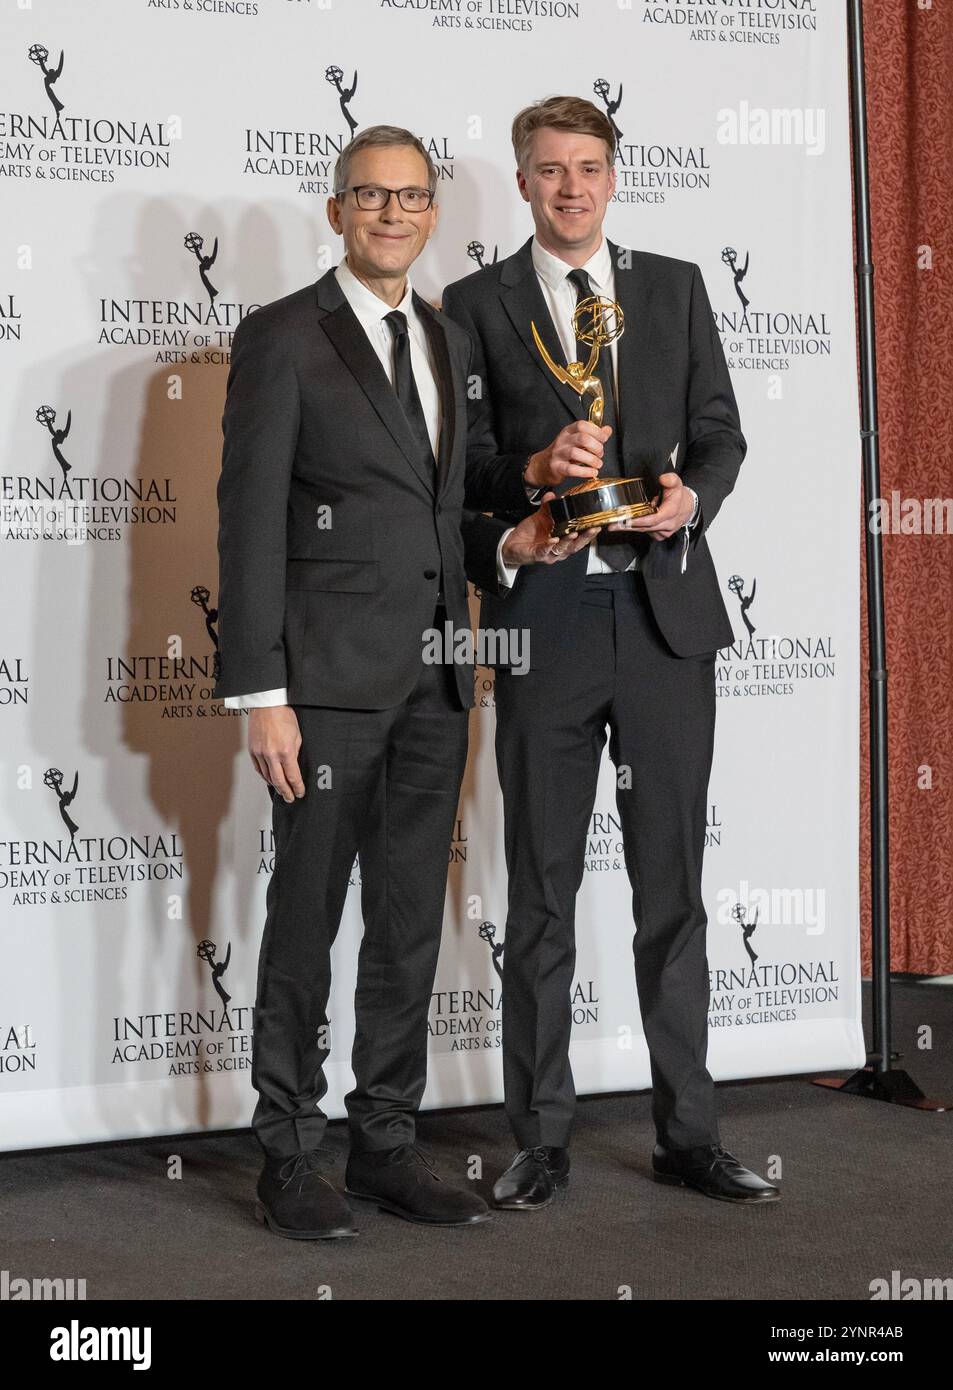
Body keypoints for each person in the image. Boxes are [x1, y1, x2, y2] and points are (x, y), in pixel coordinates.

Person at [213, 125, 589, 1240]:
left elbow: (447, 512)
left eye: (412, 197)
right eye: (370, 196)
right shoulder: (283, 336)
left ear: (432, 214)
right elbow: (246, 527)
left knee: (406, 925)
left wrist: (512, 548)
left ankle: (383, 1141)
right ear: (337, 212)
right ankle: (289, 1152)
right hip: (319, 688)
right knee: (303, 920)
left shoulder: (443, 335)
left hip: (437, 676)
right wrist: (258, 693)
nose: (391, 214)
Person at [442, 97, 780, 1210]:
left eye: (588, 168)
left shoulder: (673, 286)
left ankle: (689, 1134)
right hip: (545, 621)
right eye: (549, 171)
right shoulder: (473, 305)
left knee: (670, 893)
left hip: (664, 623)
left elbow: (722, 431)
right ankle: (539, 1140)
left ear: (613, 176)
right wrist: (537, 469)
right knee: (539, 892)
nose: (570, 188)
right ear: (522, 180)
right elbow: (466, 471)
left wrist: (691, 500)